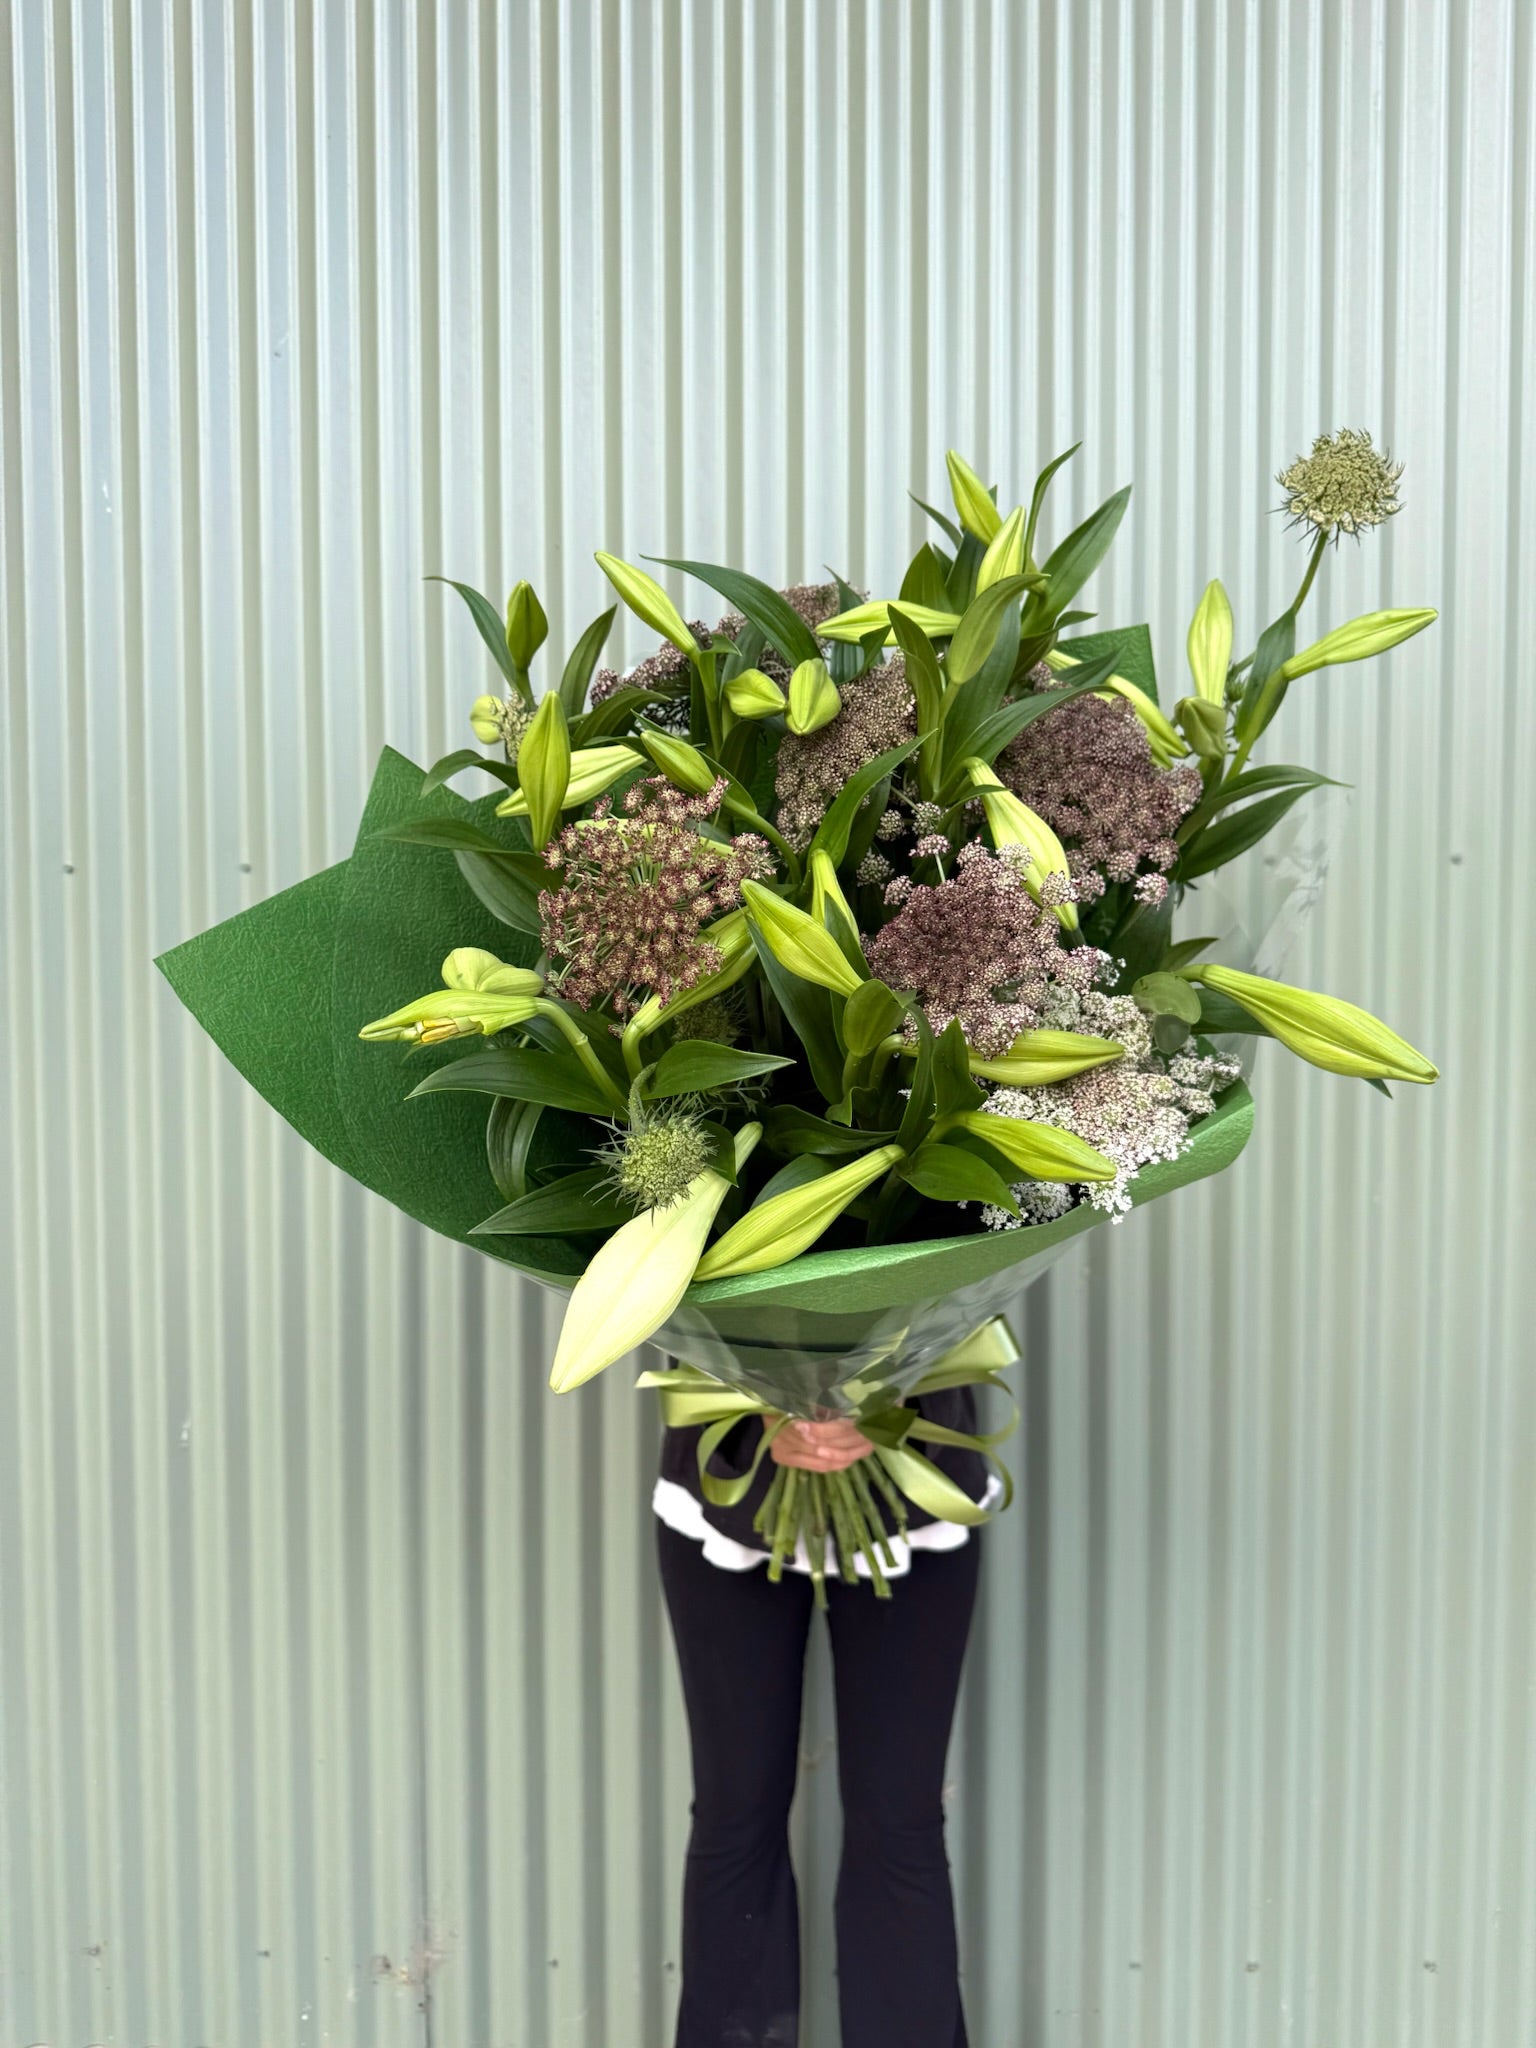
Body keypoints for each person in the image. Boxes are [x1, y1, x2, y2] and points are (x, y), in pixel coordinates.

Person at [654, 1379, 993, 2048]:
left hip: (912, 1485)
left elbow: (952, 1293)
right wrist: (759, 1410)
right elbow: (656, 1285)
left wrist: (888, 1409)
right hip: (729, 1483)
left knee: (899, 1821)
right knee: (736, 1812)